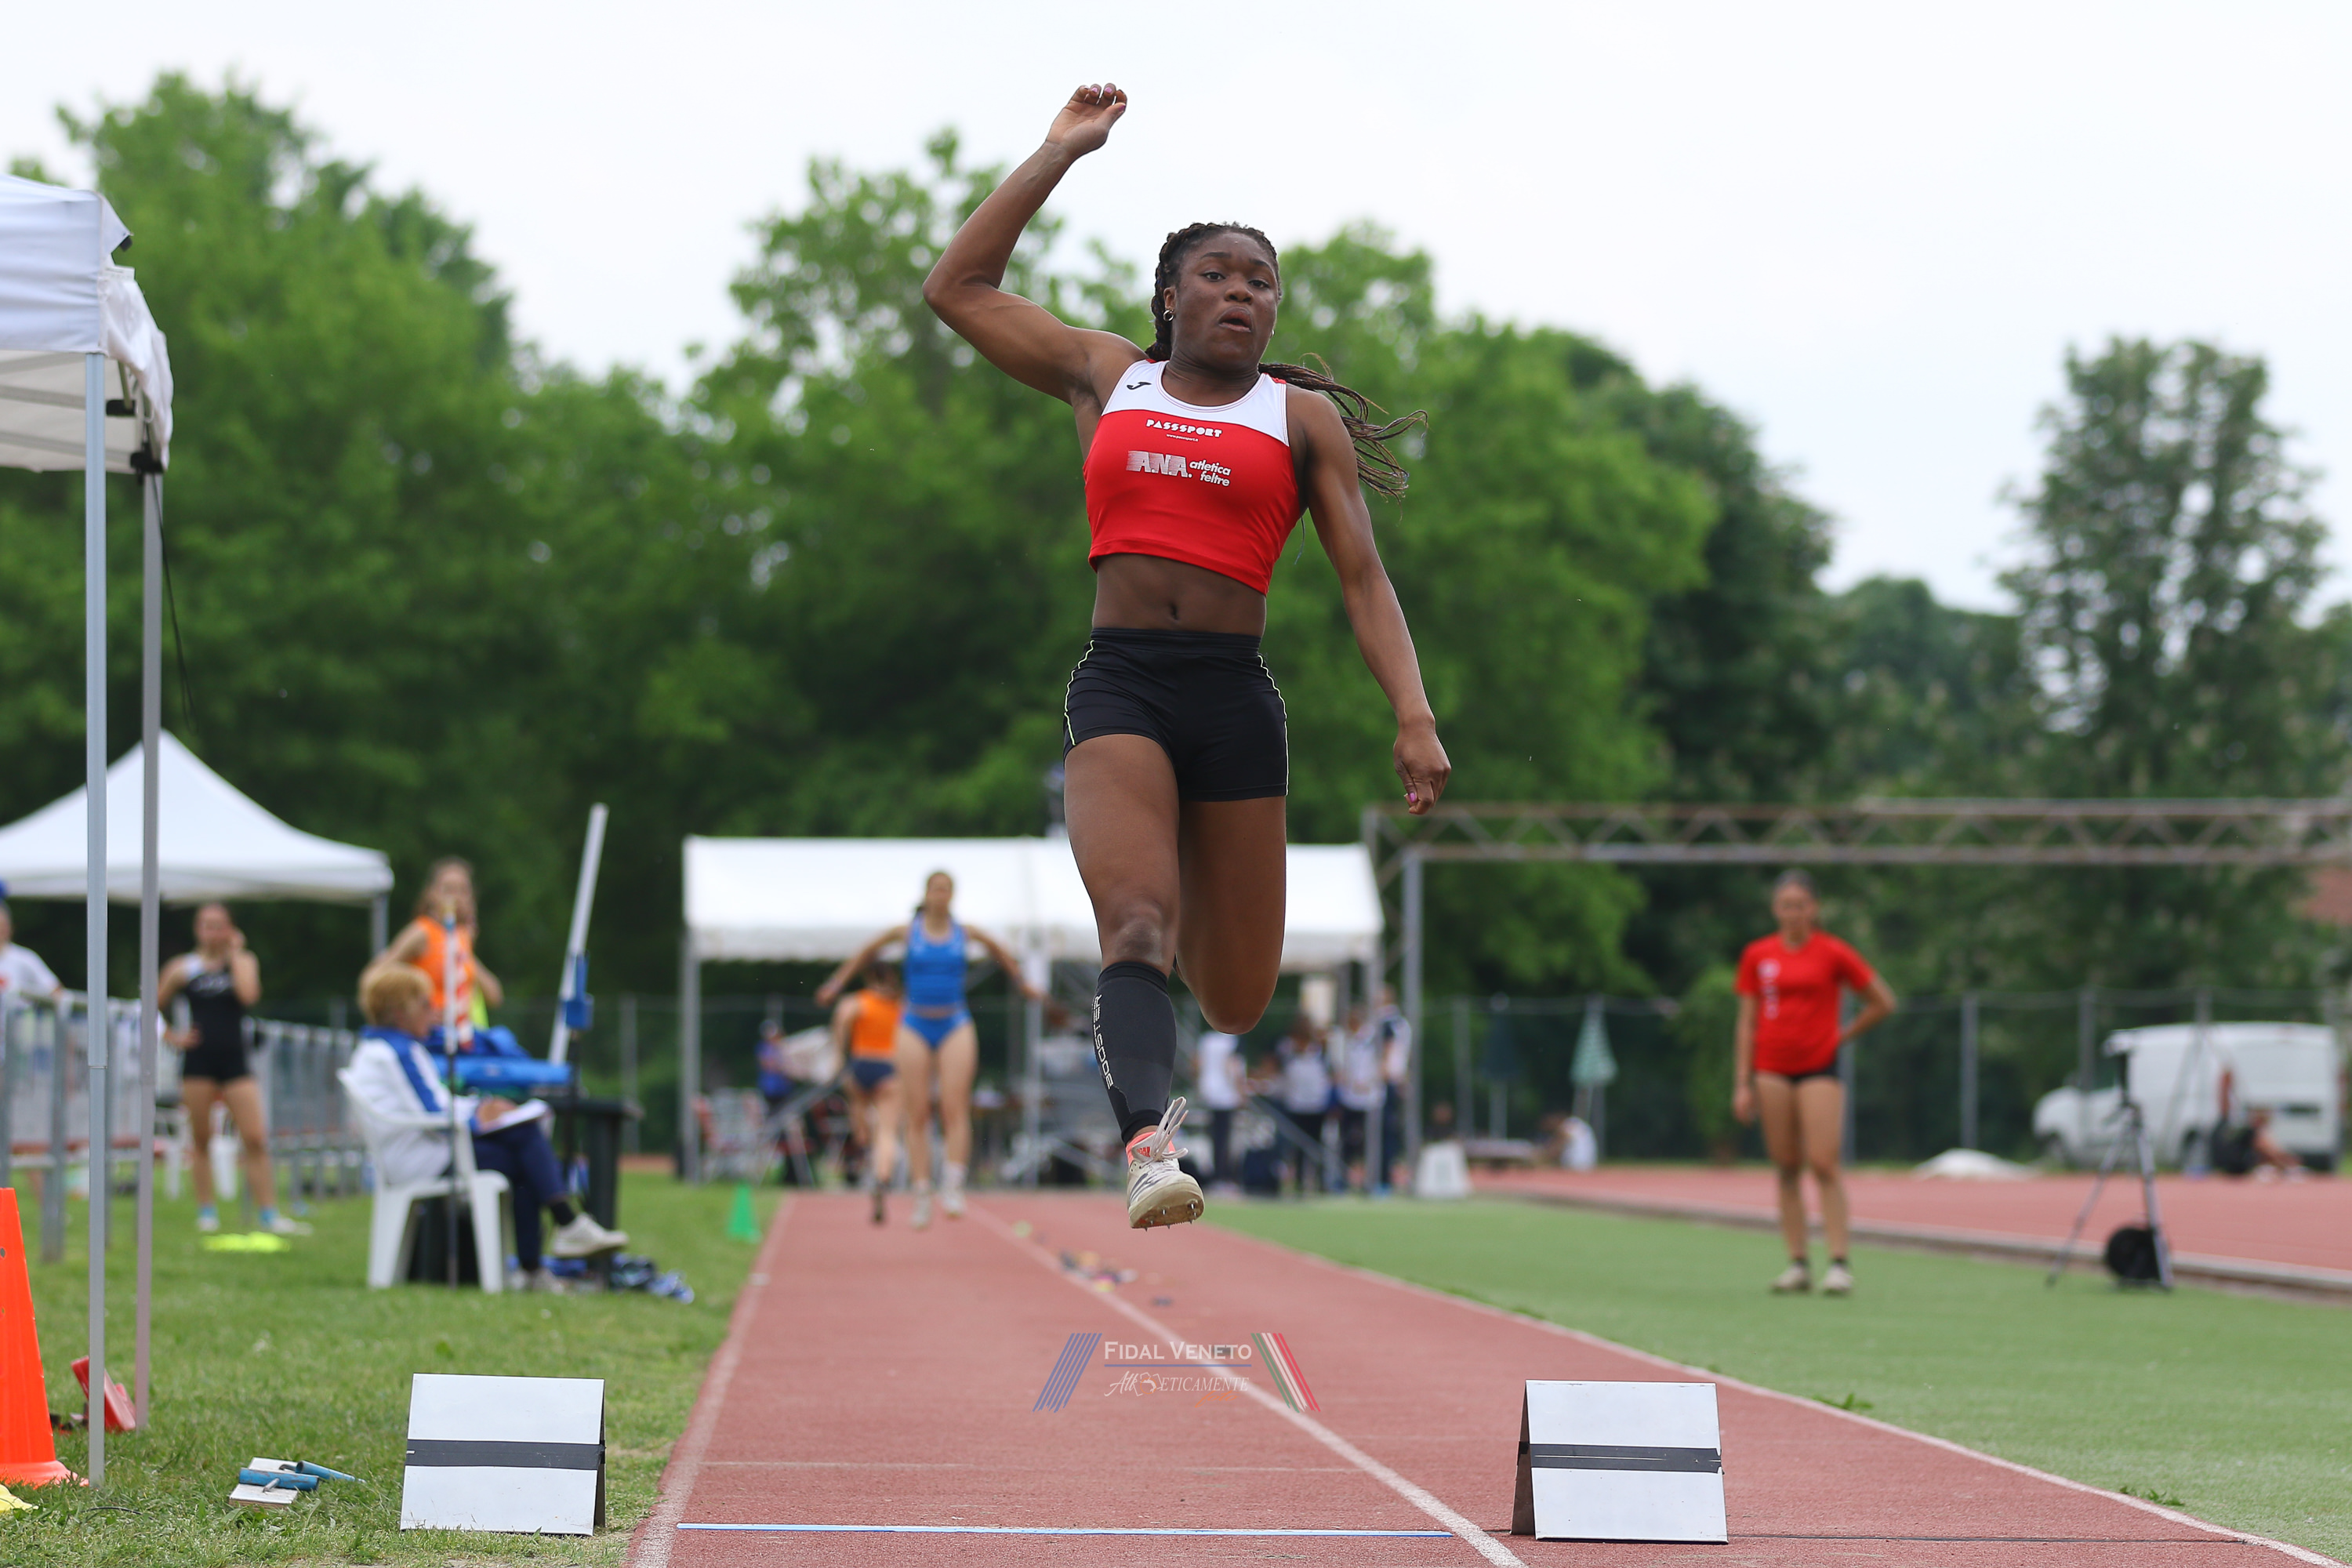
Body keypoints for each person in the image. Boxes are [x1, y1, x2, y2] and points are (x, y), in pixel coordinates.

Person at [924, 83, 1451, 1229]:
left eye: (1262, 281)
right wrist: (1059, 152)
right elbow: (955, 289)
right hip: (1122, 680)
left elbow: (1364, 579)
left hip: (1234, 700)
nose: (1243, 293)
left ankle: (1187, 988)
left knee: (1238, 995)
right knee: (1136, 926)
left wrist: (1412, 714)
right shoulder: (1110, 375)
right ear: (1171, 297)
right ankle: (1148, 1147)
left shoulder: (1297, 420)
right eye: (1218, 274)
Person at [347, 964, 625, 1290]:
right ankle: (560, 1234)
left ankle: (547, 1252)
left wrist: (482, 1108)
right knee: (524, 1142)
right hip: (424, 1159)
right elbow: (434, 1114)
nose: (433, 1010)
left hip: (426, 1152)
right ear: (399, 1011)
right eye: (424, 1003)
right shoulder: (396, 1052)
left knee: (522, 1148)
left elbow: (436, 1104)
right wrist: (479, 1117)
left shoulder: (387, 1049)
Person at [818, 872, 1043, 1228]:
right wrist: (837, 983)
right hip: (915, 1023)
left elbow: (999, 950)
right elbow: (866, 952)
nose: (941, 895)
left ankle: (953, 1183)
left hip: (954, 1021)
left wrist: (1021, 982)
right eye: (935, 889)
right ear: (926, 894)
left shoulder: (964, 932)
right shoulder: (908, 932)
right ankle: (922, 1191)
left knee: (955, 1107)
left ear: (953, 895)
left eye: (946, 889)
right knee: (917, 1111)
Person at [1731, 870, 1896, 1296]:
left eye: (1801, 905)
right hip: (1771, 1067)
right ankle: (1797, 1263)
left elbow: (1882, 1001)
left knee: (1823, 1162)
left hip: (1819, 1065)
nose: (1793, 913)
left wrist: (1843, 1035)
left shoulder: (1832, 952)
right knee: (1786, 1165)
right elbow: (1747, 1021)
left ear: (1814, 909)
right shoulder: (1758, 955)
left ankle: (1839, 1263)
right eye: (1786, 905)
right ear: (1775, 909)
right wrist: (1742, 1082)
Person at [157, 903, 302, 1235]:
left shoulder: (243, 961)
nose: (212, 932)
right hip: (198, 1062)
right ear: (197, 929)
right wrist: (172, 1036)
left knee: (255, 1137)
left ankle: (268, 1214)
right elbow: (151, 1004)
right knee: (201, 1138)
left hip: (236, 1061)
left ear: (230, 929)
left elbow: (248, 995)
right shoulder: (183, 967)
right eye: (206, 925)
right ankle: (206, 1211)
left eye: (219, 925)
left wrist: (236, 953)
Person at [367, 858, 505, 1046]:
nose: (456, 897)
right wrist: (415, 1008)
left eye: (463, 890)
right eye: (448, 889)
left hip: (463, 1038)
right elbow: (374, 975)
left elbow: (494, 996)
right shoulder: (422, 932)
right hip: (429, 1037)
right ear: (431, 894)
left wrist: (465, 953)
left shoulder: (462, 938)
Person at [830, 964, 906, 1224]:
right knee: (887, 1131)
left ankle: (863, 1150)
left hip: (860, 1062)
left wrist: (839, 1056)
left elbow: (842, 1018)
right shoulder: (900, 1006)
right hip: (888, 1066)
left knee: (861, 1124)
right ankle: (882, 1175)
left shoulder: (858, 1001)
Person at [1276, 1014, 1334, 1196]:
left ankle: (1321, 1181)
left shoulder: (1320, 1052)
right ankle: (1300, 1181)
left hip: (1316, 1104)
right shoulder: (1288, 1052)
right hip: (1296, 1103)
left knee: (1317, 1145)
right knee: (1297, 1146)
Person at [1334, 1004, 1384, 1193]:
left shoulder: (1373, 1039)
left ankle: (1371, 1180)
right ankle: (1343, 1180)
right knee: (1347, 1141)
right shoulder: (1343, 1040)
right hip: (1349, 1098)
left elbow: (1382, 1064)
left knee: (1369, 1142)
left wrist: (1368, 1082)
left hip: (1369, 1099)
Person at [1192, 1025, 1245, 1192]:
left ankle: (1216, 1175)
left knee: (1215, 1137)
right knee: (1225, 1137)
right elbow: (1232, 1066)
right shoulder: (1232, 1041)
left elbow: (1197, 1064)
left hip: (1209, 1091)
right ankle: (1224, 1176)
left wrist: (1199, 1085)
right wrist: (1241, 1091)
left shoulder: (1207, 1040)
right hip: (1226, 1094)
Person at [0, 899, 65, 1009]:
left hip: (17, 1018)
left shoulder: (24, 958)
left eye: (3, 926)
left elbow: (55, 990)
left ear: (10, 928)